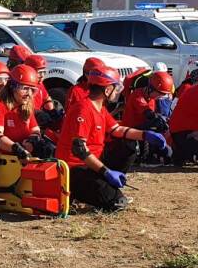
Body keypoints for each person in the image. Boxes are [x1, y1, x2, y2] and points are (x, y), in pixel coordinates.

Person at [54, 64, 162, 210]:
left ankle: (106, 184)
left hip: (93, 163)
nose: (117, 92)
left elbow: (117, 129)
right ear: (107, 89)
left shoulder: (99, 108)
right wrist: (105, 171)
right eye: (116, 88)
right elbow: (79, 150)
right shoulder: (83, 109)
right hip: (76, 169)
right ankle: (83, 191)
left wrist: (145, 135)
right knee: (117, 204)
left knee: (128, 146)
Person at [0, 65, 56, 160]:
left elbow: (35, 131)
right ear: (12, 86)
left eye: (32, 90)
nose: (29, 94)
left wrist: (31, 141)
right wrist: (16, 148)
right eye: (25, 88)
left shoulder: (26, 106)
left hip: (17, 158)